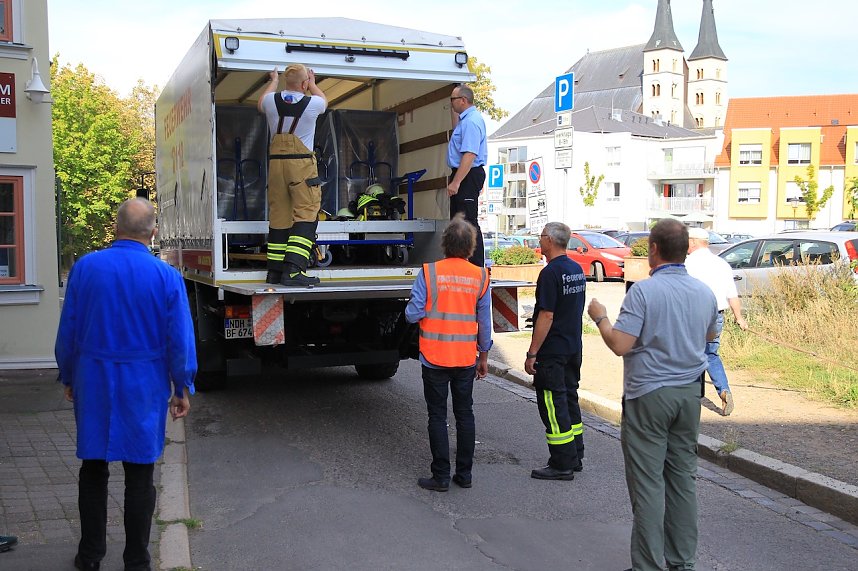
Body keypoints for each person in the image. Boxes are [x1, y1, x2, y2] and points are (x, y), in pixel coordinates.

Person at [55, 198, 197, 571]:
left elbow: (67, 330)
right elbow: (179, 340)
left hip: (94, 377)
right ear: (153, 233)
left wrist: (69, 374)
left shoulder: (85, 268)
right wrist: (181, 387)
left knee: (93, 468)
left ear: (115, 227)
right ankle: (136, 561)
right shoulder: (166, 276)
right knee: (139, 472)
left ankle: (89, 557)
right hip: (142, 383)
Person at [587, 219, 717, 571]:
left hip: (649, 395)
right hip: (689, 394)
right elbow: (709, 337)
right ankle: (682, 562)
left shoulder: (643, 292)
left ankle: (648, 565)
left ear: (654, 250)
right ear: (686, 249)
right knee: (682, 480)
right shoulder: (704, 293)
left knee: (648, 484)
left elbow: (619, 344)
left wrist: (600, 317)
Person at [405, 213, 492, 491]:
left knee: (437, 417)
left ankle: (441, 476)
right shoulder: (480, 276)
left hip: (434, 357)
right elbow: (485, 324)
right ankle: (464, 475)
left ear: (444, 244)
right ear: (471, 246)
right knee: (465, 415)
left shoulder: (430, 272)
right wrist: (484, 357)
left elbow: (412, 314)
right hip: (465, 359)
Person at [524, 222, 587, 480]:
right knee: (569, 399)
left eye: (541, 237)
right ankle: (576, 455)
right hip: (573, 346)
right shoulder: (576, 269)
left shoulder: (550, 273)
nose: (540, 241)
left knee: (552, 404)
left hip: (553, 351)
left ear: (549, 240)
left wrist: (532, 353)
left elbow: (547, 315)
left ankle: (562, 463)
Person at [258, 63, 328, 287]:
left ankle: (275, 271)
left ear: (285, 82)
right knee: (306, 214)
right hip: (301, 167)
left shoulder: (271, 101)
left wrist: (273, 81)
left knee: (279, 216)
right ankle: (294, 269)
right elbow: (324, 101)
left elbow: (260, 103)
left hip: (276, 166)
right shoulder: (313, 104)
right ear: (305, 83)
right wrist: (314, 85)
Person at [685, 227, 748, 416]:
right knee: (710, 354)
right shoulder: (721, 264)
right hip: (716, 315)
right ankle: (724, 390)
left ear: (694, 242)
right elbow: (732, 295)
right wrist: (739, 318)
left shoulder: (687, 264)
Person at [447, 84, 487, 267]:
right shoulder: (466, 120)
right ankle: (461, 263)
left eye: (453, 100)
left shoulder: (471, 122)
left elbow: (470, 154)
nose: (451, 103)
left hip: (467, 175)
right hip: (465, 174)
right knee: (459, 221)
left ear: (463, 100)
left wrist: (456, 182)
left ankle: (476, 266)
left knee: (468, 221)